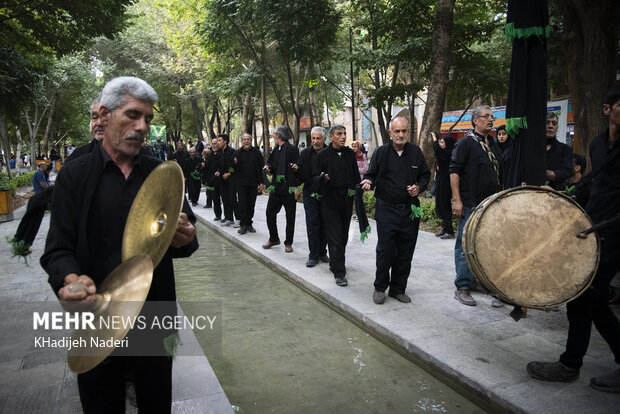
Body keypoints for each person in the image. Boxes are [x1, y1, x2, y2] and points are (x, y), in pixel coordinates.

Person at [40, 76, 198, 412]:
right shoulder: (75, 174)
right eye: (132, 115)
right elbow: (57, 249)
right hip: (98, 314)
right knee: (101, 402)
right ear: (105, 115)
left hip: (154, 315)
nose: (142, 127)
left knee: (156, 402)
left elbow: (185, 233)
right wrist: (70, 280)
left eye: (148, 119)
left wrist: (185, 236)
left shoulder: (162, 174)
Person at [527, 85, 620, 393]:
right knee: (594, 303)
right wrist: (563, 196)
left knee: (584, 300)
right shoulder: (597, 145)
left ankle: (569, 365)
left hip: (614, 236)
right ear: (607, 110)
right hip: (592, 231)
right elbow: (595, 187)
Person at [361, 117, 430, 303]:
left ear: (408, 132)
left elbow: (425, 175)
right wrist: (368, 181)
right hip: (386, 209)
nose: (400, 135)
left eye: (404, 131)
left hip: (410, 210)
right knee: (385, 250)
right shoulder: (381, 152)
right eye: (397, 131)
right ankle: (380, 287)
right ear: (390, 133)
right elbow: (371, 174)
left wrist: (419, 187)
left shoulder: (415, 152)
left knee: (406, 251)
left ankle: (398, 289)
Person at [450, 105, 502, 307]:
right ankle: (462, 285)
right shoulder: (466, 144)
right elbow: (454, 171)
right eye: (486, 116)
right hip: (470, 202)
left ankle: (475, 280)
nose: (490, 119)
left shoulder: (492, 144)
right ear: (475, 120)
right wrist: (457, 199)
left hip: (489, 204)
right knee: (464, 244)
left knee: (482, 244)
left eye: (492, 116)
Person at [313, 125, 359, 286]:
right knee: (334, 236)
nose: (342, 136)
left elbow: (355, 176)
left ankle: (335, 263)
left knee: (344, 235)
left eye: (344, 134)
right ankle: (340, 272)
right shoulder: (323, 155)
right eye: (339, 134)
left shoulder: (349, 154)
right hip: (329, 200)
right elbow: (315, 177)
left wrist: (357, 194)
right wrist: (322, 178)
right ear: (331, 137)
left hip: (346, 200)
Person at [291, 126, 329, 267]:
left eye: (318, 138)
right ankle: (313, 255)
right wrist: (296, 170)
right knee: (312, 224)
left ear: (324, 139)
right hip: (309, 193)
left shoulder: (329, 153)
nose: (315, 141)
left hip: (325, 195)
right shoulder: (306, 153)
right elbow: (300, 173)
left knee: (324, 224)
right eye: (313, 138)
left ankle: (322, 252)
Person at [262, 125, 299, 252]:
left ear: (278, 135)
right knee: (269, 213)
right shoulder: (276, 150)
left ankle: (288, 243)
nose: (273, 135)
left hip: (289, 188)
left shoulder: (292, 149)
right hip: (276, 188)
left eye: (274, 134)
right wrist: (268, 167)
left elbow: (297, 170)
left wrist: (297, 188)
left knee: (290, 216)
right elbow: (272, 164)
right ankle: (274, 238)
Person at [233, 133, 264, 234]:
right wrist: (233, 163)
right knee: (242, 204)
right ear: (242, 141)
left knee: (251, 204)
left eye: (248, 139)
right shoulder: (237, 153)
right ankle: (243, 225)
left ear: (251, 140)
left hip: (253, 183)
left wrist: (261, 182)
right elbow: (231, 168)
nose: (246, 141)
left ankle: (249, 224)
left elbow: (261, 169)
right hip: (241, 184)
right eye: (244, 140)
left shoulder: (257, 153)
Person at [432, 132, 455, 239]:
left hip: (446, 183)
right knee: (440, 205)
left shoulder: (448, 153)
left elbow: (437, 150)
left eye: (443, 142)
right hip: (441, 181)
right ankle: (445, 228)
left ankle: (449, 231)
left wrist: (435, 139)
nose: (441, 144)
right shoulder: (445, 152)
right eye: (441, 142)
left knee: (445, 206)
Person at [545, 111, 574, 191]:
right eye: (547, 122)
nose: (550, 126)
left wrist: (550, 174)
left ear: (557, 127)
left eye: (554, 123)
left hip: (556, 195)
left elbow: (567, 171)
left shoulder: (566, 150)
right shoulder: (532, 149)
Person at [216, 133, 238, 227]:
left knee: (233, 198)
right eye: (218, 140)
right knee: (225, 199)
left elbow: (234, 165)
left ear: (225, 141)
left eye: (220, 140)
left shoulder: (232, 151)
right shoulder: (220, 152)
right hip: (222, 179)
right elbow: (219, 165)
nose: (218, 142)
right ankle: (229, 218)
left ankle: (238, 218)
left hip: (231, 179)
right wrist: (218, 172)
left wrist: (229, 173)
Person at [205, 138, 223, 219]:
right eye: (212, 144)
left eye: (215, 143)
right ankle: (218, 215)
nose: (214, 145)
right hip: (213, 180)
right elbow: (207, 167)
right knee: (215, 199)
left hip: (222, 180)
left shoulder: (222, 154)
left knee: (225, 200)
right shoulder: (210, 155)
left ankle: (228, 217)